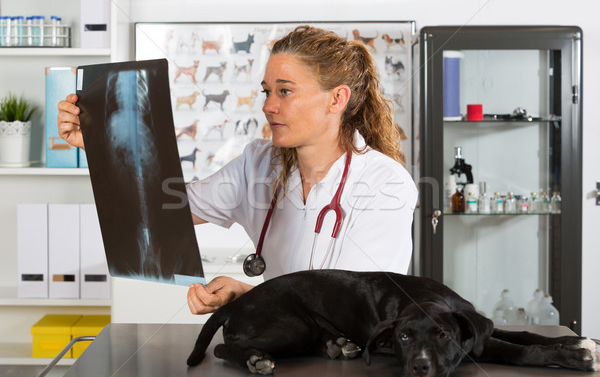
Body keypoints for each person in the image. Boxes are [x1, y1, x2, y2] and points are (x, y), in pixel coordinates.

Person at [57, 25, 418, 316]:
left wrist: (249, 295)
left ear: (337, 99)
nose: (269, 106)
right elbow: (163, 208)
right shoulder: (259, 163)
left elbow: (355, 304)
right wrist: (99, 145)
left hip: (355, 361)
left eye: (285, 91)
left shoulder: (384, 182)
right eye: (266, 91)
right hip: (280, 350)